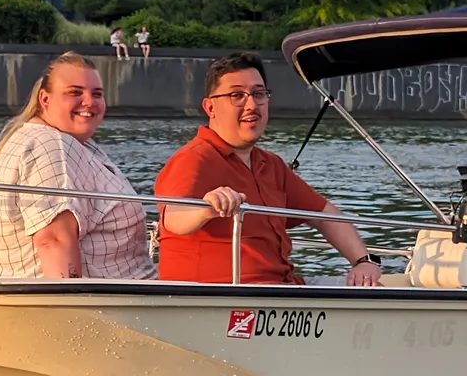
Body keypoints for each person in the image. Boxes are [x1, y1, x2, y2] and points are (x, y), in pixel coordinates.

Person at [156, 53, 382, 286]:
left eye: (258, 94)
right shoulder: (193, 159)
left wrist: (363, 261)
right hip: (223, 301)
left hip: (282, 294)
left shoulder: (270, 164)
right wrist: (206, 209)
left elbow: (324, 215)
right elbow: (173, 218)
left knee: (377, 291)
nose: (252, 105)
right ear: (210, 107)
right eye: (237, 96)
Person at [0, 52, 151, 281]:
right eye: (75, 92)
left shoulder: (51, 139)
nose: (89, 102)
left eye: (97, 94)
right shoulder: (52, 146)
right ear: (45, 99)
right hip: (112, 306)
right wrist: (72, 310)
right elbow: (53, 240)